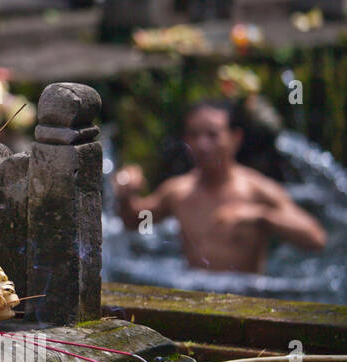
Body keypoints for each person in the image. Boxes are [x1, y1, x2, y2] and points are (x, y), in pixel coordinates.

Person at [114, 100, 326, 273]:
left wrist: (260, 216)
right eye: (194, 135)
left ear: (235, 138)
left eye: (212, 135)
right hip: (193, 296)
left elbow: (315, 238)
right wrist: (126, 194)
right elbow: (137, 222)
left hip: (248, 303)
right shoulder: (178, 192)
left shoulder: (257, 190)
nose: (202, 145)